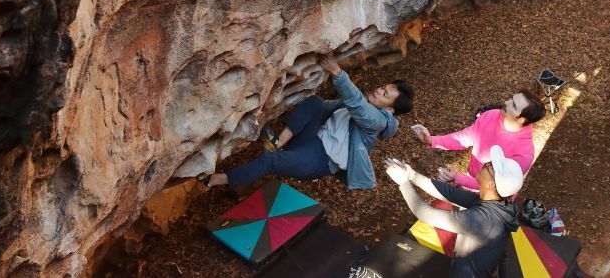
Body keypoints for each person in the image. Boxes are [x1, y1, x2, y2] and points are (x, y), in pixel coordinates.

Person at [205, 54, 413, 190]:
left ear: (389, 109)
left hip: (320, 160)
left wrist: (338, 73)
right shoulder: (364, 107)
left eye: (384, 94)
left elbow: (358, 105)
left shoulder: (378, 121)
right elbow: (328, 106)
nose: (378, 90)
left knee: (271, 161)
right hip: (312, 140)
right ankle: (278, 142)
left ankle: (220, 180)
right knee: (316, 102)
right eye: (383, 87)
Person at [385, 145, 522, 278]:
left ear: (491, 184)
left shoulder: (482, 220)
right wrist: (411, 175)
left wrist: (403, 183)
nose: (486, 163)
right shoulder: (499, 203)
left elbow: (425, 214)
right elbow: (450, 193)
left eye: (490, 166)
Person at [412, 87, 545, 191]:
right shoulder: (491, 116)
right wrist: (431, 141)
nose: (506, 102)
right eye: (511, 98)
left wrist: (458, 178)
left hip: (490, 198)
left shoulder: (523, 154)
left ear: (522, 119)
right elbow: (465, 137)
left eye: (514, 105)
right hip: (471, 179)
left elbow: (495, 186)